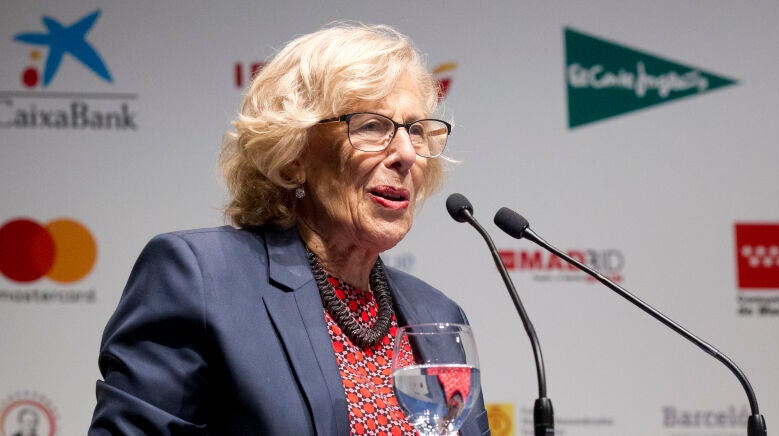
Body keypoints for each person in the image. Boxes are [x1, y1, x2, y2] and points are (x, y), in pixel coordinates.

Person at [88, 22, 490, 435]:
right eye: (371, 126)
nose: (406, 153)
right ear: (294, 154)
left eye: (416, 130)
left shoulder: (439, 314)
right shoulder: (201, 280)